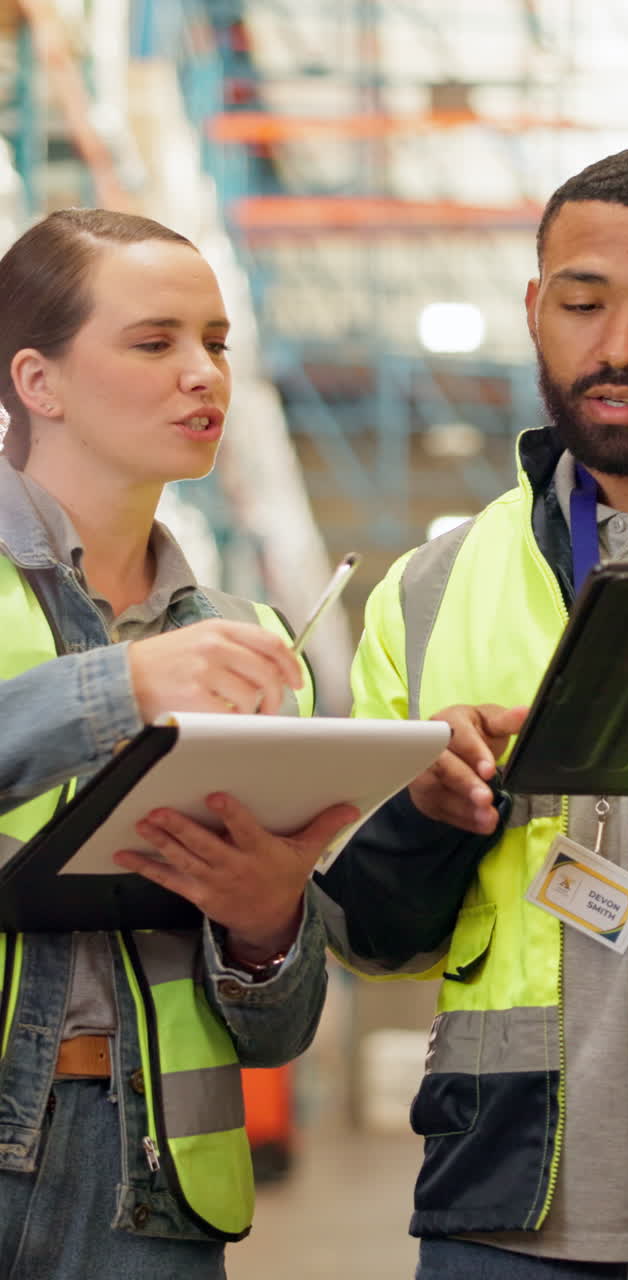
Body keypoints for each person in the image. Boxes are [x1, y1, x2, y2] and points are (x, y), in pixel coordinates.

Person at [314, 142, 628, 1278]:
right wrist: (427, 815)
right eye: (583, 303)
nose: (621, 347)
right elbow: (364, 934)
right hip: (508, 1218)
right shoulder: (429, 589)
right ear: (535, 309)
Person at [0, 207, 355, 1280]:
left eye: (216, 342)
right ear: (38, 380)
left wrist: (266, 926)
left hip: (147, 1185)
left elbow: (278, 1030)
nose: (203, 373)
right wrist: (121, 684)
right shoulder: (176, 662)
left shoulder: (238, 639)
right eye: (155, 342)